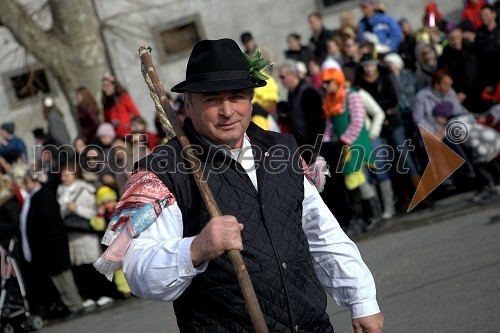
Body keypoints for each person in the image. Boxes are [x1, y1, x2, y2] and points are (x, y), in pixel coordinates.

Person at [95, 38, 383, 332]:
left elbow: (323, 234)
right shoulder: (164, 172)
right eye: (212, 99)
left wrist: (362, 300)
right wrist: (195, 249)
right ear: (189, 106)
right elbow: (140, 272)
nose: (227, 110)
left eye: (236, 96)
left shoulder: (281, 150)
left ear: (250, 99)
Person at [20, 170, 83, 319]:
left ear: (35, 182)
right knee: (57, 277)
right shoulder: (35, 197)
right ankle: (69, 304)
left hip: (52, 246)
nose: (25, 185)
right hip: (46, 247)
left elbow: (50, 223)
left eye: (27, 182)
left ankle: (75, 304)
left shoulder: (43, 196)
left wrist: (49, 242)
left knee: (64, 276)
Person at [278, 59, 325, 157]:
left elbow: (318, 123)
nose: (281, 80)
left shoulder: (308, 93)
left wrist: (315, 151)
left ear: (293, 75)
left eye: (283, 77)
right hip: (301, 147)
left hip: (313, 148)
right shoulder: (291, 93)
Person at [101, 72, 141, 138]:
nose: (105, 89)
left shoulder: (123, 97)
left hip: (129, 133)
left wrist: (134, 128)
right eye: (103, 86)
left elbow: (135, 113)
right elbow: (107, 121)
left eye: (107, 85)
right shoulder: (105, 102)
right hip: (116, 137)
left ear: (114, 85)